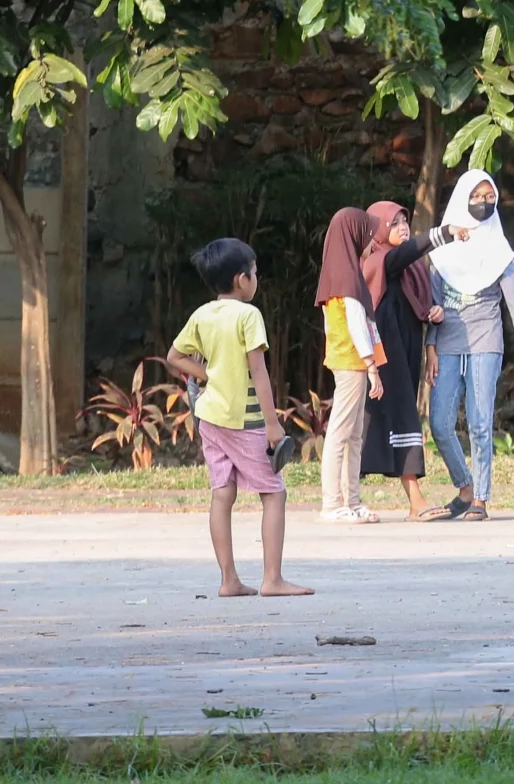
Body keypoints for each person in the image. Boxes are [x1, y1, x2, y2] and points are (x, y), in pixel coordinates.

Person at [166, 238, 311, 597]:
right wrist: (273, 424)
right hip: (245, 421)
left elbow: (174, 356)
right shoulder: (249, 315)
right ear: (241, 279)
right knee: (274, 493)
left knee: (222, 494)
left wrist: (206, 376)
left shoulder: (203, 315)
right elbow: (259, 374)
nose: (257, 277)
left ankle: (228, 579)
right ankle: (272, 579)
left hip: (210, 418)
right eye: (255, 271)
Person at [426, 168, 514, 523]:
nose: (483, 203)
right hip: (446, 339)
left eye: (489, 197)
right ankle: (464, 485)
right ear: (463, 199)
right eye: (476, 197)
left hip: (486, 335)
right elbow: (430, 302)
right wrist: (429, 345)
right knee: (439, 422)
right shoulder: (441, 248)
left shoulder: (498, 247)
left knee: (479, 419)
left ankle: (481, 498)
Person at [357, 200, 446, 519]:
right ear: (378, 229)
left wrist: (433, 312)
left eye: (404, 221)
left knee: (375, 422)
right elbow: (402, 255)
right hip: (383, 356)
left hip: (406, 352)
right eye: (393, 223)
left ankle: (344, 497)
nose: (402, 227)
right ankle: (414, 500)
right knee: (386, 418)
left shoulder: (413, 270)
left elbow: (423, 305)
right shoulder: (379, 261)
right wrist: (443, 234)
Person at [315, 205, 389, 524]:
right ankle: (332, 503)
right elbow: (357, 326)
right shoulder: (347, 278)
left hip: (349, 361)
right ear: (354, 234)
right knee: (342, 432)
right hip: (351, 363)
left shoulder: (340, 272)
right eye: (369, 235)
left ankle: (352, 500)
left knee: (354, 433)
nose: (373, 242)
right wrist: (372, 367)